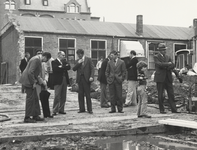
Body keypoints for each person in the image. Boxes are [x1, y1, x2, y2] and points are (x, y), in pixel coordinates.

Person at [19, 52, 51, 123]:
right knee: (30, 99)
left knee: (35, 98)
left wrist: (41, 82)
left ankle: (35, 115)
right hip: (28, 82)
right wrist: (33, 82)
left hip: (30, 80)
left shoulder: (37, 59)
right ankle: (27, 117)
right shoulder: (36, 60)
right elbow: (31, 72)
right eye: (46, 60)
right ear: (44, 57)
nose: (45, 61)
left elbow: (35, 74)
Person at [154, 43, 179, 114]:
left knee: (171, 94)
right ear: (159, 50)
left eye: (165, 50)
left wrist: (166, 65)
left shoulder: (168, 56)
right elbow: (159, 64)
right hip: (160, 78)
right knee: (160, 94)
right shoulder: (156, 57)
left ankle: (174, 109)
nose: (164, 51)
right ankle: (162, 110)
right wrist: (168, 64)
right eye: (163, 50)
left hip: (168, 77)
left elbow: (173, 65)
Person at [73, 49, 95, 114]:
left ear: (82, 54)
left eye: (79, 55)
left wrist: (91, 76)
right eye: (77, 55)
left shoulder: (88, 59)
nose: (78, 56)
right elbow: (74, 69)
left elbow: (92, 68)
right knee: (80, 94)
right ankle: (81, 109)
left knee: (88, 94)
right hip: (80, 79)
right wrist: (79, 63)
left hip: (86, 79)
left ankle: (89, 109)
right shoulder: (77, 61)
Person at [52, 51, 71, 115]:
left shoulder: (64, 62)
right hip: (58, 80)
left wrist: (61, 67)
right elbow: (55, 69)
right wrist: (63, 67)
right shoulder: (54, 62)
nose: (64, 56)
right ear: (59, 55)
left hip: (64, 79)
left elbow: (69, 67)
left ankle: (61, 109)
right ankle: (55, 109)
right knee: (57, 95)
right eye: (63, 55)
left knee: (63, 95)